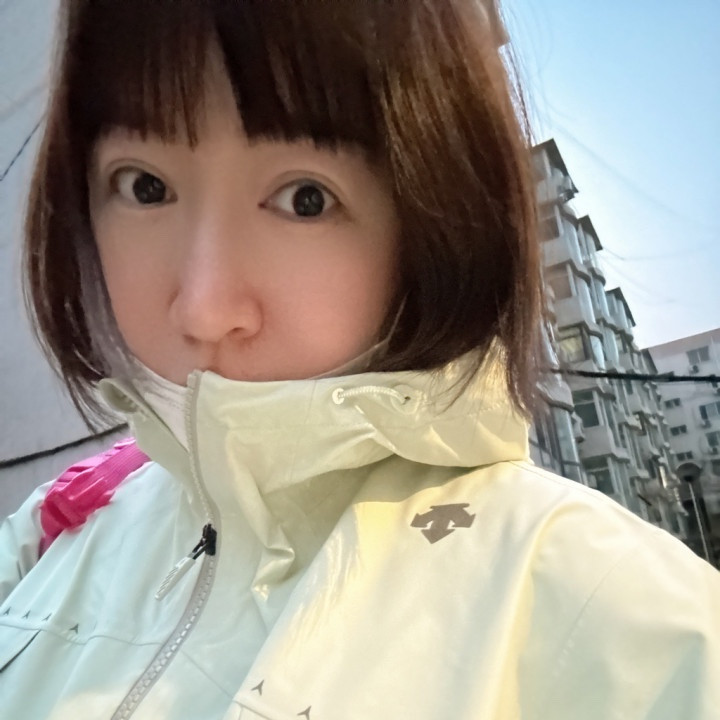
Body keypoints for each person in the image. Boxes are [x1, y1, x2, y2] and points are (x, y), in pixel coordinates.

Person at [1, 1, 718, 718]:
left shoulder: (628, 626)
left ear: (433, 226)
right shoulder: (52, 535)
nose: (204, 306)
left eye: (305, 199)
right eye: (145, 187)